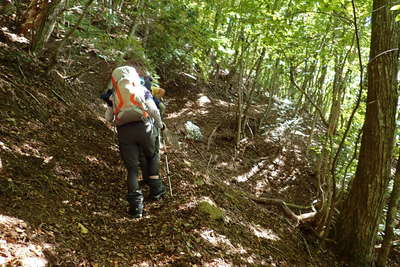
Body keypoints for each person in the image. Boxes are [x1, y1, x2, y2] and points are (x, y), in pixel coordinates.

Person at [101, 65, 166, 218]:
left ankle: (136, 207)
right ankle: (156, 189)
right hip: (144, 127)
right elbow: (154, 110)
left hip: (124, 133)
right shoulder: (142, 90)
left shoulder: (113, 96)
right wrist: (160, 124)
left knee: (131, 169)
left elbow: (108, 118)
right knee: (152, 155)